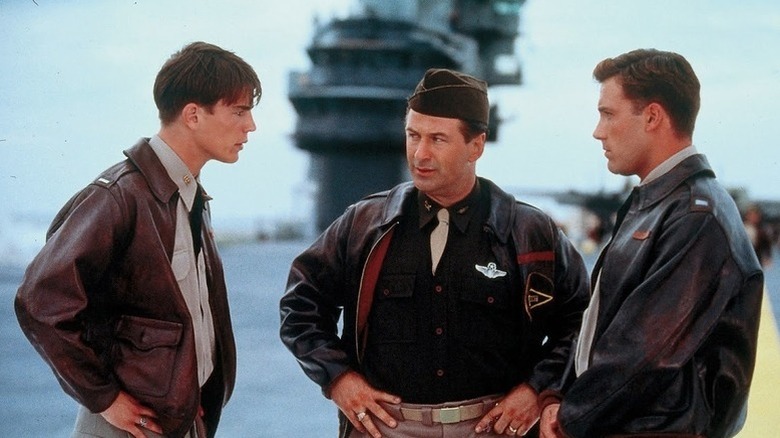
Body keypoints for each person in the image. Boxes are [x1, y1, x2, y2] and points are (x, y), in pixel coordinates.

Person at [280, 68, 590, 438]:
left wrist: (537, 389)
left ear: (476, 146)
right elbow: (300, 304)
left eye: (438, 139)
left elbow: (582, 320)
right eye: (413, 135)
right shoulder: (364, 224)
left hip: (494, 429)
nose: (420, 153)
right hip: (384, 429)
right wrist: (338, 379)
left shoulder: (529, 232)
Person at [15, 41, 261, 438]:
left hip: (178, 421)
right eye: (239, 111)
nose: (250, 126)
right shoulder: (121, 195)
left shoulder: (189, 197)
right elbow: (40, 300)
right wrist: (104, 398)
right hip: (127, 427)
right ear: (193, 115)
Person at [539, 49, 764, 438]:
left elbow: (644, 354)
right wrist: (556, 395)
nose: (598, 131)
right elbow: (601, 324)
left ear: (653, 117)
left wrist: (569, 417)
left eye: (608, 114)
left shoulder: (696, 217)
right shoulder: (657, 203)